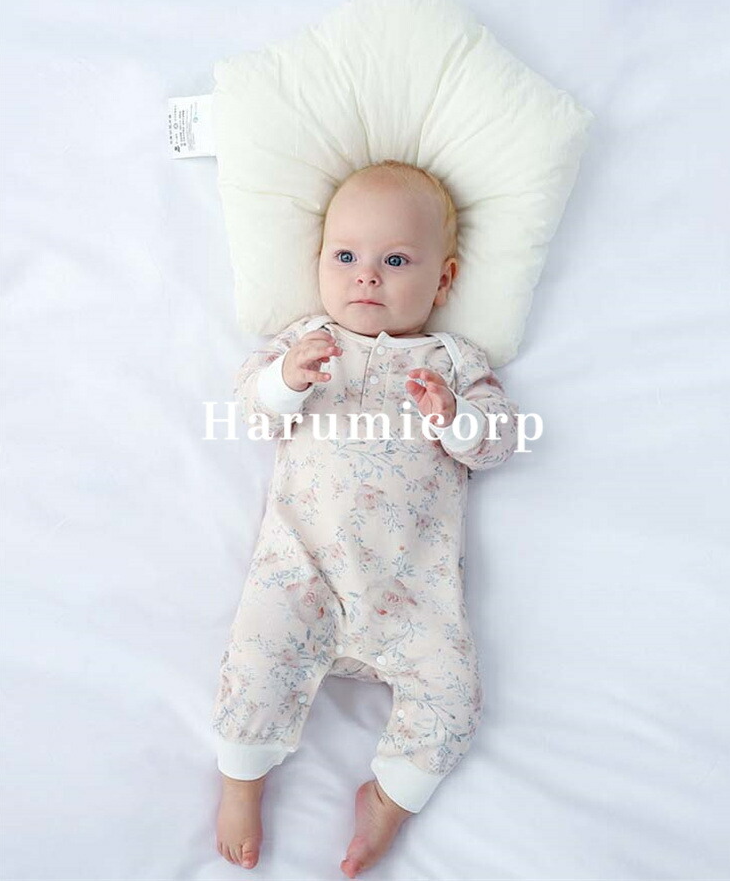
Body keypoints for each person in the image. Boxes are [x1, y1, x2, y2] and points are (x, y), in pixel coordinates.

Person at [213, 160, 520, 876]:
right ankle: (241, 781)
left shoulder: (454, 361)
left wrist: (457, 417)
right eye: (345, 256)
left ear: (443, 280)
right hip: (301, 570)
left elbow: (501, 440)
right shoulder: (305, 341)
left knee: (455, 697)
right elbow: (252, 410)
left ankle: (389, 798)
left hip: (414, 592)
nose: (367, 278)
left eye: (396, 261)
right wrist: (286, 381)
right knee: (256, 657)